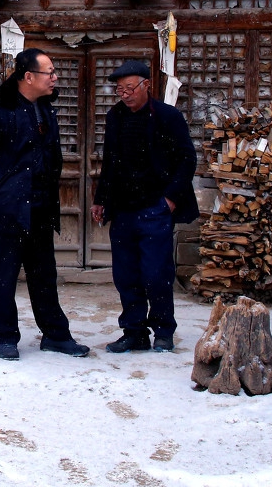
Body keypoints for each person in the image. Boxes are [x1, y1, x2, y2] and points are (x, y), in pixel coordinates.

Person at [0, 49, 91, 361]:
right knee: (5, 276)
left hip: (41, 206)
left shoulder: (44, 108)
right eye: (49, 72)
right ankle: (6, 337)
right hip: (8, 208)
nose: (55, 77)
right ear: (28, 76)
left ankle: (56, 335)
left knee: (44, 274)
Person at [91, 59, 198, 354]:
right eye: (119, 90)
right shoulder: (115, 117)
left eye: (129, 88)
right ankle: (134, 331)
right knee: (126, 274)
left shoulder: (167, 116)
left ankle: (163, 331)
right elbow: (109, 162)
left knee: (156, 273)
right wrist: (101, 199)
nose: (124, 94)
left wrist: (171, 198)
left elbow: (187, 158)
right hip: (123, 208)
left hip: (155, 206)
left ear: (146, 85)